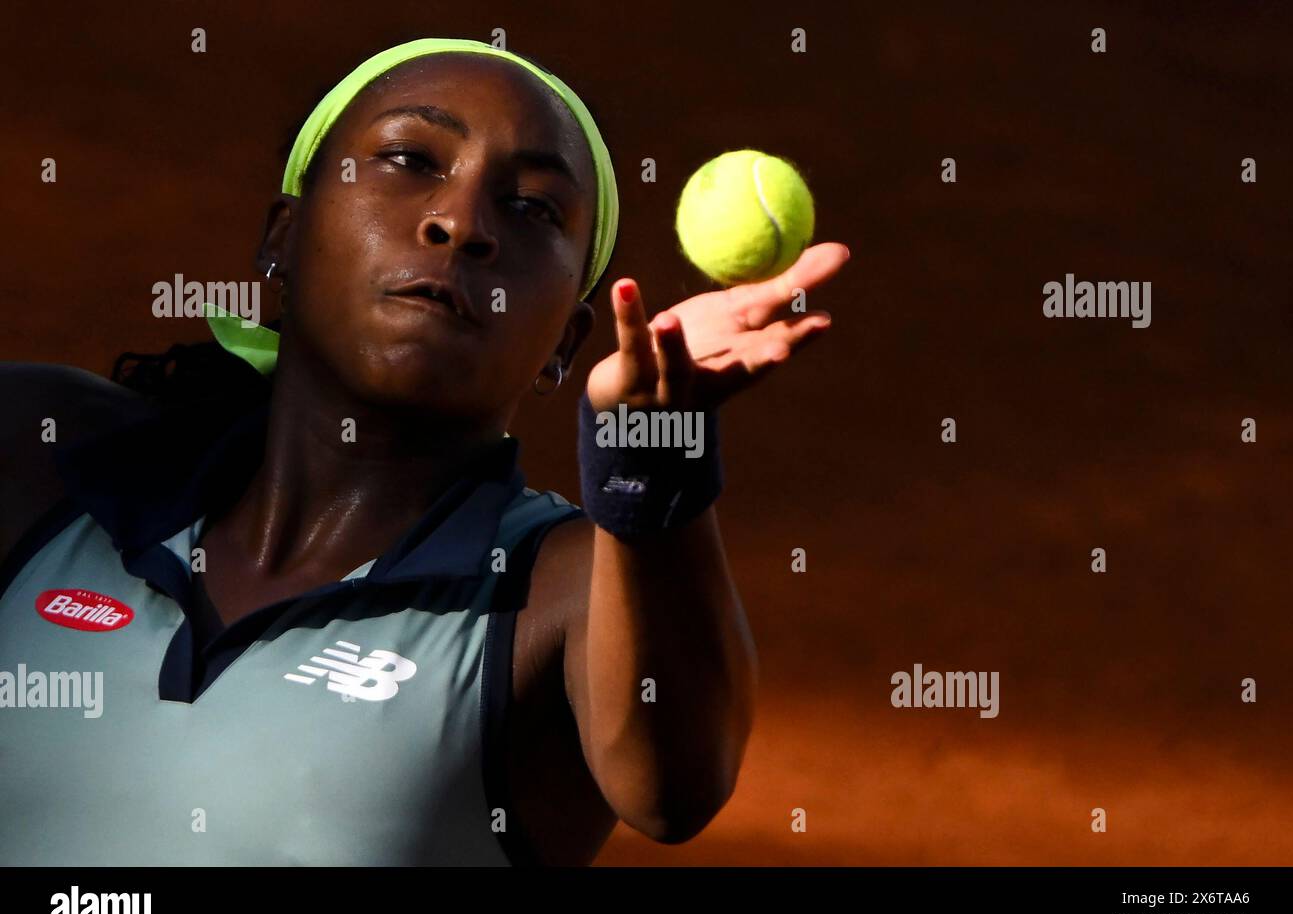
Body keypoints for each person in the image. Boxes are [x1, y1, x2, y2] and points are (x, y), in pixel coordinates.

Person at [0, 38, 848, 865]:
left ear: (566, 341)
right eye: (410, 160)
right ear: (281, 239)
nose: (462, 223)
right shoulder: (42, 453)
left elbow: (676, 790)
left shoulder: (559, 591)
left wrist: (647, 461)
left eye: (532, 209)